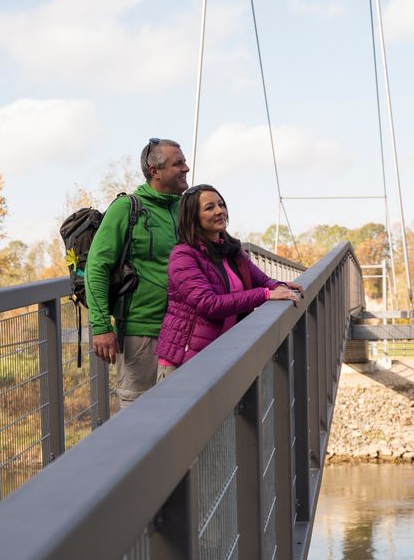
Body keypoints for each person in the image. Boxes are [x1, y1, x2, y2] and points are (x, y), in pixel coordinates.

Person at [156, 184, 304, 379]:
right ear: (193, 217)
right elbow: (208, 304)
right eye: (209, 208)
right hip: (185, 361)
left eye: (221, 205)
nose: (220, 211)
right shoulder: (183, 256)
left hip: (219, 355)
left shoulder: (231, 250)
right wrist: (266, 295)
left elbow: (262, 280)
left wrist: (279, 286)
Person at [85, 138, 189, 407]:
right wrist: (100, 327)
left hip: (185, 332)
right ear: (155, 171)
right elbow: (97, 267)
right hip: (141, 335)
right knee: (139, 422)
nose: (186, 168)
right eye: (178, 163)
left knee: (181, 417)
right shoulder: (127, 209)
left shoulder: (184, 209)